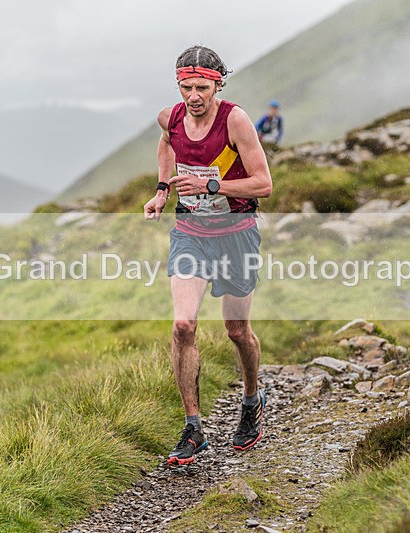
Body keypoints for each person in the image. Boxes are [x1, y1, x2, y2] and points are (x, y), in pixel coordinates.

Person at [144, 45, 273, 466]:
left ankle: (252, 399)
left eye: (202, 87)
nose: (193, 95)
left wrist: (213, 188)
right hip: (191, 234)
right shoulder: (171, 117)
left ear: (218, 84)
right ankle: (193, 427)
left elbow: (263, 184)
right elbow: (166, 145)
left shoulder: (235, 120)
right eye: (186, 87)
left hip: (237, 234)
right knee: (183, 325)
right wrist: (163, 190)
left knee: (237, 331)